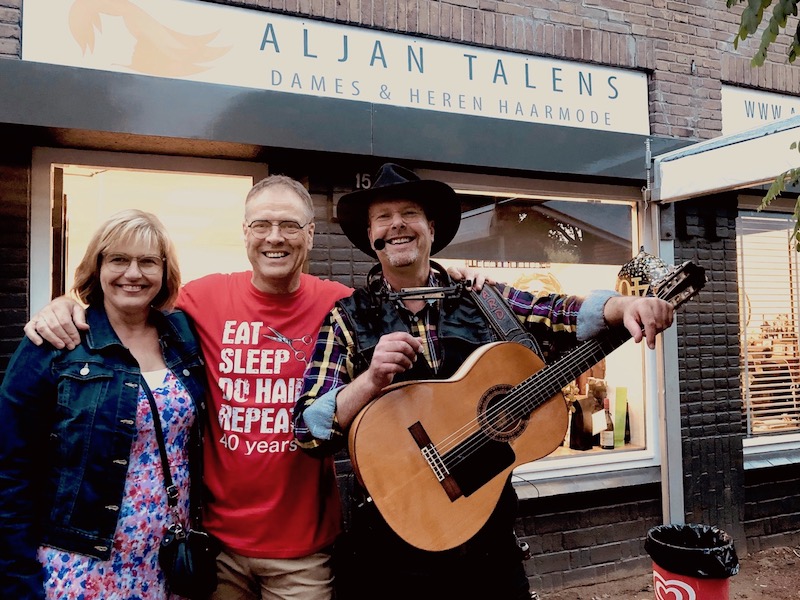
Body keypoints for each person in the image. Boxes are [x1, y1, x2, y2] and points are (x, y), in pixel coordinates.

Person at [23, 174, 486, 600]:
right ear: (245, 233)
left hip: (305, 551)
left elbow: (405, 291)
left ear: (310, 235)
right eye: (261, 224)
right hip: (216, 544)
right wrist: (65, 305)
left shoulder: (343, 307)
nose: (274, 237)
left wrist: (457, 279)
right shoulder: (201, 299)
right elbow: (131, 294)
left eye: (289, 225)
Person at [293, 163, 675, 600]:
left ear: (430, 228)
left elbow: (557, 312)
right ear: (371, 236)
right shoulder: (347, 318)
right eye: (383, 217)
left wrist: (623, 307)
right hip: (393, 547)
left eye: (409, 213)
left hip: (488, 545)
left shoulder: (483, 298)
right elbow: (307, 433)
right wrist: (369, 382)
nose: (397, 224)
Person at [0, 209, 208, 599]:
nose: (133, 273)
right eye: (118, 259)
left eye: (147, 261)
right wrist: (16, 578)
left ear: (164, 272)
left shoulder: (182, 337)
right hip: (79, 562)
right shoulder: (55, 344)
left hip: (166, 561)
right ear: (97, 267)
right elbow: (11, 470)